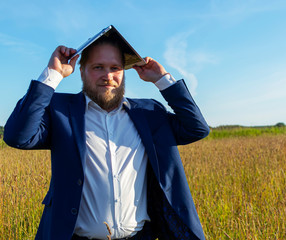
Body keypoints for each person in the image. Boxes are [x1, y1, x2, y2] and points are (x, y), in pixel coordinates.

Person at [4, 32, 209, 240]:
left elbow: (197, 128)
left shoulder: (149, 113)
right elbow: (18, 136)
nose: (108, 76)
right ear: (82, 71)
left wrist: (162, 80)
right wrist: (53, 74)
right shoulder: (60, 112)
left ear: (123, 72)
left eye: (115, 68)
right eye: (98, 67)